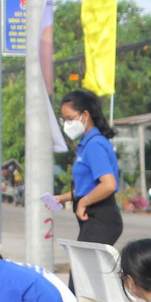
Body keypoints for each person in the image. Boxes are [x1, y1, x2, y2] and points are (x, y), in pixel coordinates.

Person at [53, 90, 122, 247]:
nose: (66, 125)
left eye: (70, 119)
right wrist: (62, 198)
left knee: (82, 262)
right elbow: (88, 186)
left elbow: (109, 184)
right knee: (84, 261)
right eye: (64, 120)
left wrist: (83, 203)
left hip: (102, 217)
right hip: (92, 217)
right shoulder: (86, 144)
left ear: (85, 115)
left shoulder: (94, 145)